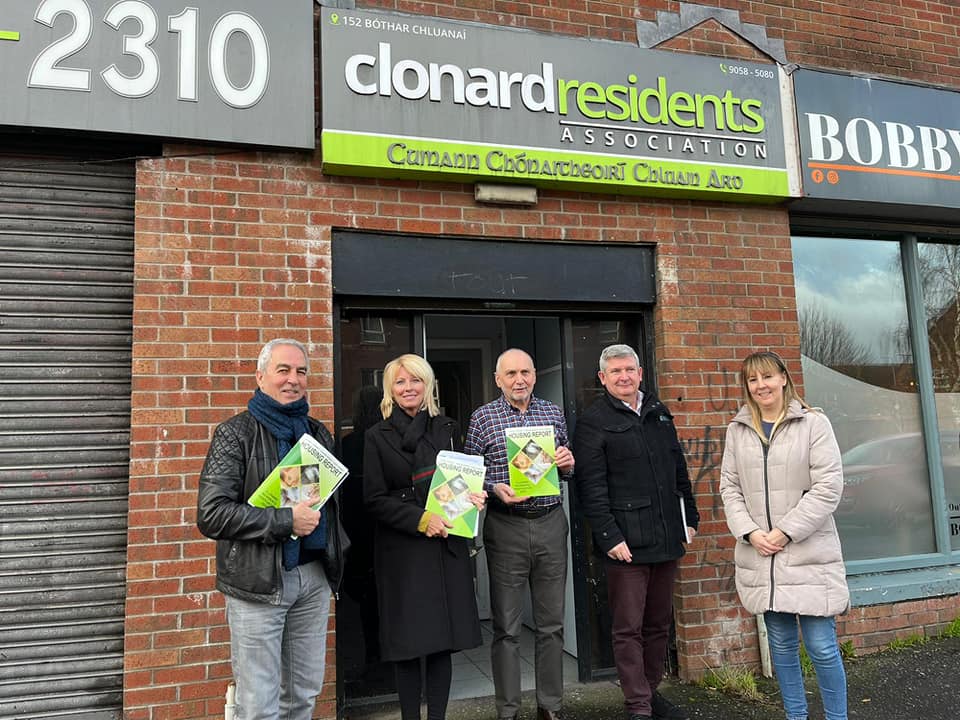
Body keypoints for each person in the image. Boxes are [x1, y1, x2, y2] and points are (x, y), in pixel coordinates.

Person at [196, 338, 347, 720]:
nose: (292, 379)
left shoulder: (318, 433)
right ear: (260, 375)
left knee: (303, 694)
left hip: (311, 578)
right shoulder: (235, 433)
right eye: (283, 370)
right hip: (257, 583)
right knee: (258, 701)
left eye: (300, 371)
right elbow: (211, 514)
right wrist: (284, 521)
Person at [719, 351, 849, 720]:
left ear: (783, 378)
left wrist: (784, 532)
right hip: (762, 558)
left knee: (822, 647)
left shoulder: (813, 424)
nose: (761, 386)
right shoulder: (737, 430)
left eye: (767, 377)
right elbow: (730, 488)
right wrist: (750, 533)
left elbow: (828, 487)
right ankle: (796, 716)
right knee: (781, 647)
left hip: (808, 555)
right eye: (752, 380)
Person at [573, 344, 699, 720]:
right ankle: (638, 706)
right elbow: (590, 488)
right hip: (625, 545)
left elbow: (679, 471)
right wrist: (610, 538)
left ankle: (650, 689)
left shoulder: (658, 412)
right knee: (628, 628)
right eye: (615, 372)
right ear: (602, 379)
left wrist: (689, 517)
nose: (623, 376)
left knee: (659, 623)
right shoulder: (593, 421)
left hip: (665, 536)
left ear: (640, 373)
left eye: (629, 369)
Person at [363, 354, 484, 720]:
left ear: (427, 385)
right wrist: (420, 519)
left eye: (415, 381)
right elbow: (373, 499)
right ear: (390, 390)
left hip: (445, 546)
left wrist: (473, 497)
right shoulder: (376, 436)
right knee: (408, 645)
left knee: (440, 645)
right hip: (404, 551)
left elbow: (457, 479)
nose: (408, 388)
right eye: (400, 382)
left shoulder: (447, 427)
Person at [464, 348, 575, 720]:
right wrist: (494, 487)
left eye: (525, 372)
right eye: (510, 373)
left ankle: (551, 707)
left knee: (551, 625)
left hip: (549, 521)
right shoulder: (483, 418)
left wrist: (568, 462)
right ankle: (507, 710)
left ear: (535, 375)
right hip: (506, 525)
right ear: (498, 379)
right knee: (507, 627)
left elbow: (565, 465)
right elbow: (469, 473)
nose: (519, 380)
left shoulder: (552, 413)